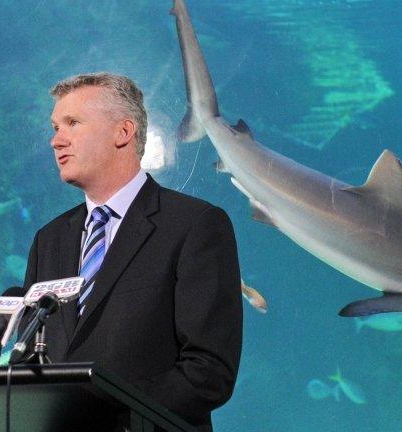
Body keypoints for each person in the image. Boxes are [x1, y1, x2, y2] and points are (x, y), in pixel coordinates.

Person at [22, 72, 243, 431]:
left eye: (72, 123)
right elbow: (34, 352)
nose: (55, 141)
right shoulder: (50, 239)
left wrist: (105, 413)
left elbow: (209, 370)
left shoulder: (195, 225)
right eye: (55, 127)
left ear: (123, 133)